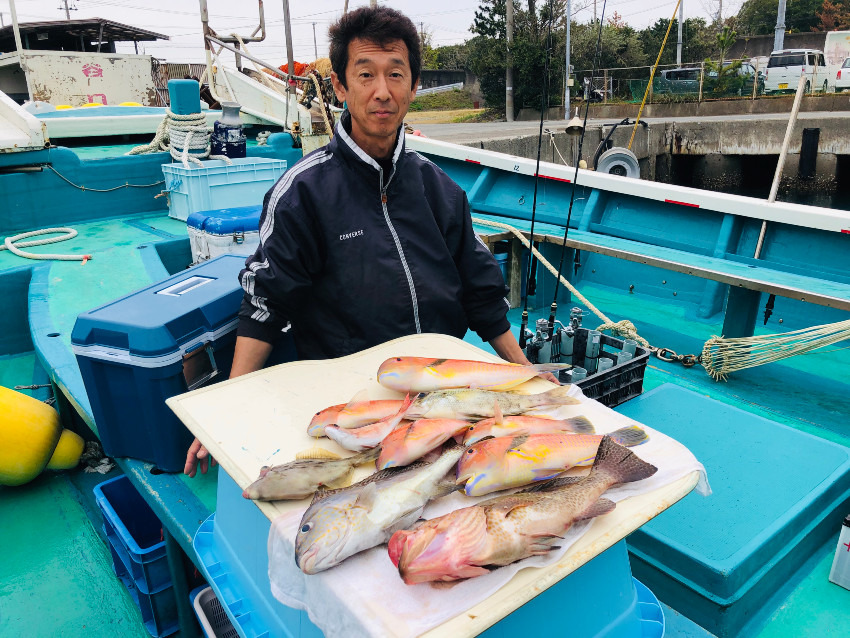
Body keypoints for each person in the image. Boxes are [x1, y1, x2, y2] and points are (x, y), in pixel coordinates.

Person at [185, 6, 547, 477]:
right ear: (340, 86)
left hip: (442, 396)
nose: (383, 91)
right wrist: (228, 409)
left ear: (413, 85)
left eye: (396, 74)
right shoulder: (303, 193)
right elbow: (266, 303)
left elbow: (482, 293)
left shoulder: (440, 189)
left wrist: (526, 377)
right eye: (366, 75)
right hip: (352, 402)